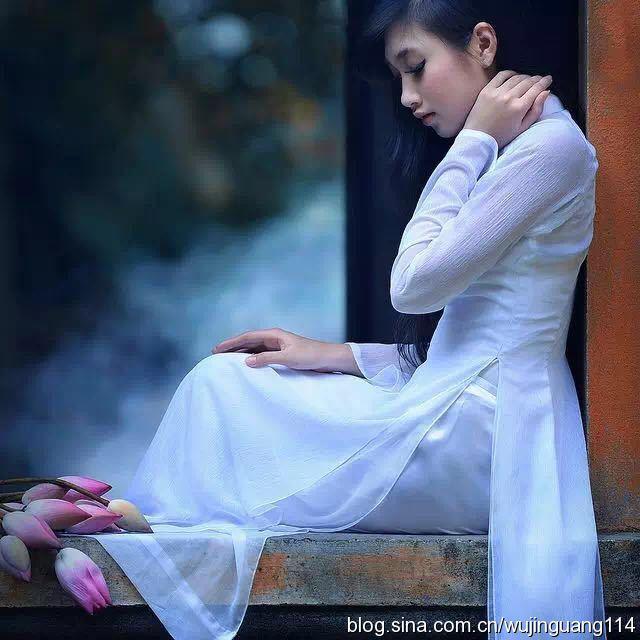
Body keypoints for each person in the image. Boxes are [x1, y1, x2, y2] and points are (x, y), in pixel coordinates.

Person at [87, 2, 606, 639]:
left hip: (490, 443)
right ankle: (151, 530)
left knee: (227, 402)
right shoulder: (516, 148)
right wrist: (332, 354)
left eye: (416, 67)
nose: (408, 97)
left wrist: (472, 141)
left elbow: (413, 287)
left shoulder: (549, 148)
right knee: (226, 381)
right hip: (460, 411)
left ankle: (149, 542)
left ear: (482, 43)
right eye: (399, 79)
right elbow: (473, 340)